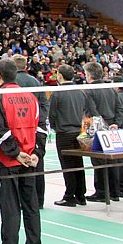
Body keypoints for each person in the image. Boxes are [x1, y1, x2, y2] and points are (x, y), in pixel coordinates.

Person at [0, 60, 42, 244]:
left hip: (9, 161)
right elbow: (41, 127)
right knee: (31, 204)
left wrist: (15, 153)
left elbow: (1, 131)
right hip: (30, 160)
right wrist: (37, 152)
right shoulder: (31, 97)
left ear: (0, 76)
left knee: (10, 206)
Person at [83, 62, 123, 202]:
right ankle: (114, 192)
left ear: (89, 75)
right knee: (111, 161)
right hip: (111, 129)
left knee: (99, 162)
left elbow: (93, 112)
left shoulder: (89, 90)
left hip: (100, 130)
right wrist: (115, 124)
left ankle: (101, 192)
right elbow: (120, 109)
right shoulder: (110, 89)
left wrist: (103, 126)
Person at [49, 65, 89, 206]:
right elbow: (85, 111)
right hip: (78, 132)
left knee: (67, 165)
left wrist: (56, 127)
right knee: (78, 164)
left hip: (64, 133)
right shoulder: (80, 91)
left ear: (60, 76)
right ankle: (81, 195)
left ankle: (70, 195)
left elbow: (52, 114)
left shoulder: (58, 93)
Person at [12, 55, 49, 208]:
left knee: (19, 165)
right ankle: (38, 200)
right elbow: (44, 105)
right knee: (37, 164)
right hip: (36, 129)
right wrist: (39, 123)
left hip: (19, 129)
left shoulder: (13, 83)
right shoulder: (35, 82)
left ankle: (21, 201)